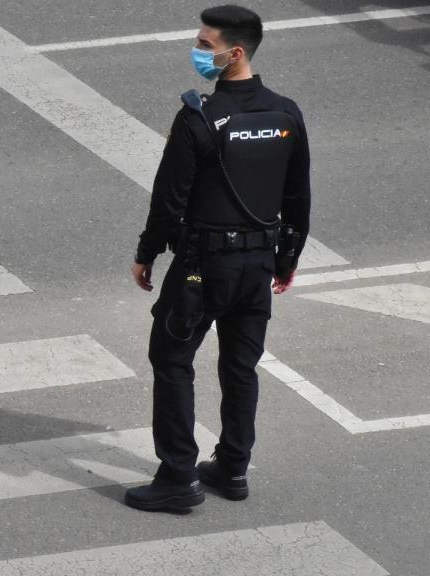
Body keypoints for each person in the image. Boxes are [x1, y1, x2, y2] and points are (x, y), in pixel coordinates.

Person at [125, 4, 310, 511]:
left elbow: (169, 199)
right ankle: (232, 468)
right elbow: (297, 198)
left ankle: (178, 477)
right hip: (256, 267)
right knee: (241, 367)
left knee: (172, 360)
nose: (197, 51)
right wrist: (286, 261)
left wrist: (146, 253)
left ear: (235, 53)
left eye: (205, 45)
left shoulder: (198, 118)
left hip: (201, 268)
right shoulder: (285, 113)